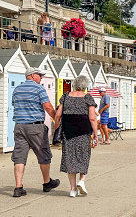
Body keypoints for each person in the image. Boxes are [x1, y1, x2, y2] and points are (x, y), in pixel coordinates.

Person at [11, 67, 60, 197]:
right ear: (32, 75)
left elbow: (14, 105)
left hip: (19, 126)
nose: (41, 78)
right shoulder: (39, 89)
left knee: (19, 156)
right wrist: (57, 119)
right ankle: (47, 182)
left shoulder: (17, 89)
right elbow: (48, 106)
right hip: (35, 126)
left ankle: (18, 186)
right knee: (43, 154)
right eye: (39, 75)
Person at [54, 75, 99, 197]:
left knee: (70, 158)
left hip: (68, 132)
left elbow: (58, 114)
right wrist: (96, 134)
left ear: (75, 84)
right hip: (83, 131)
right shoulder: (88, 97)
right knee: (84, 156)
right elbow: (92, 118)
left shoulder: (66, 96)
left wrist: (56, 126)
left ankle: (73, 190)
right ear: (85, 86)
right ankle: (82, 181)